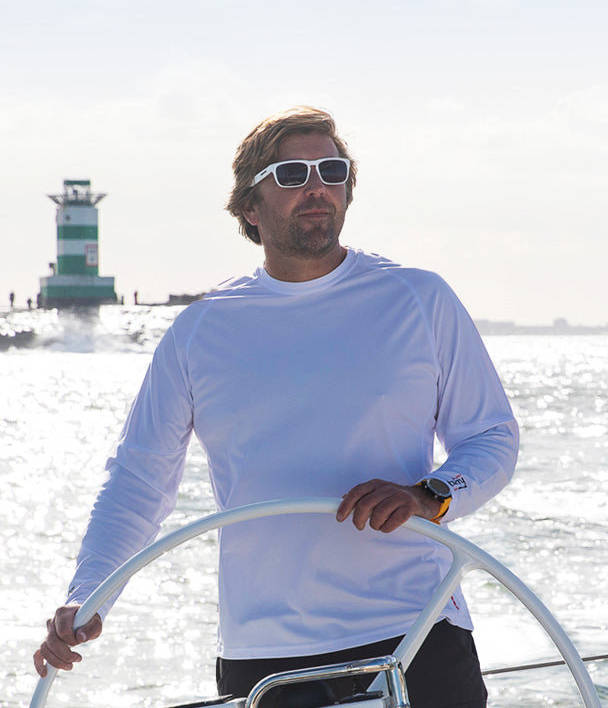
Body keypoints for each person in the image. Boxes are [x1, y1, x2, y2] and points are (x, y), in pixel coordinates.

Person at [34, 107, 518, 708]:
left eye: (331, 171)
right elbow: (139, 481)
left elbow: (491, 436)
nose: (316, 187)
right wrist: (89, 596)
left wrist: (429, 494)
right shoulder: (199, 331)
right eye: (291, 174)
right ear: (249, 207)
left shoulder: (420, 299)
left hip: (415, 629)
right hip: (263, 652)